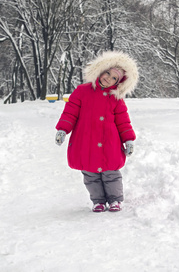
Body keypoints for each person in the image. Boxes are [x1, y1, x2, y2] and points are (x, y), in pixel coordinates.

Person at [55, 50, 139, 212]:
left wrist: (128, 139)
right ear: (101, 70)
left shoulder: (116, 98)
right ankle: (98, 200)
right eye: (107, 73)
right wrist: (62, 130)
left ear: (119, 83)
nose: (108, 78)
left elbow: (123, 121)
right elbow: (70, 112)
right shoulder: (82, 91)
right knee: (90, 174)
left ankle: (115, 200)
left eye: (114, 78)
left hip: (110, 142)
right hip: (85, 140)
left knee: (111, 173)